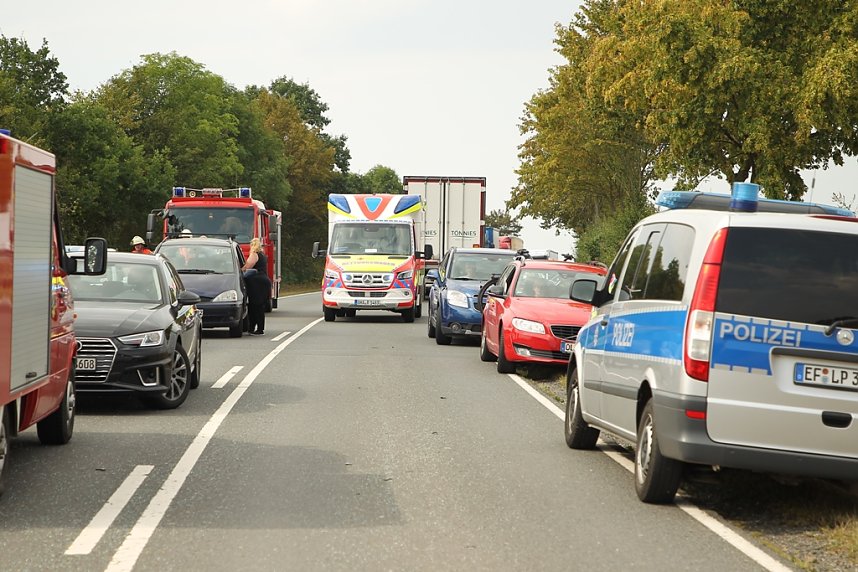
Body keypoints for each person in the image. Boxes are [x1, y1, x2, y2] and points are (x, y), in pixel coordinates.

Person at [242, 237, 271, 335]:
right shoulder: (262, 255)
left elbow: (247, 267)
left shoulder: (254, 255)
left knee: (255, 306)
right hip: (263, 282)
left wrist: (240, 270)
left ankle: (257, 328)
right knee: (259, 306)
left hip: (257, 283)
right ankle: (256, 328)